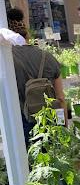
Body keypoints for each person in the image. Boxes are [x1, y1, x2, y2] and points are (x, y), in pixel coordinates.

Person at [9, 17, 66, 145]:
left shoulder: (7, 61)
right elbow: (60, 98)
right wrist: (63, 127)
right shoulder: (48, 57)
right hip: (49, 119)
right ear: (27, 34)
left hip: (22, 122)